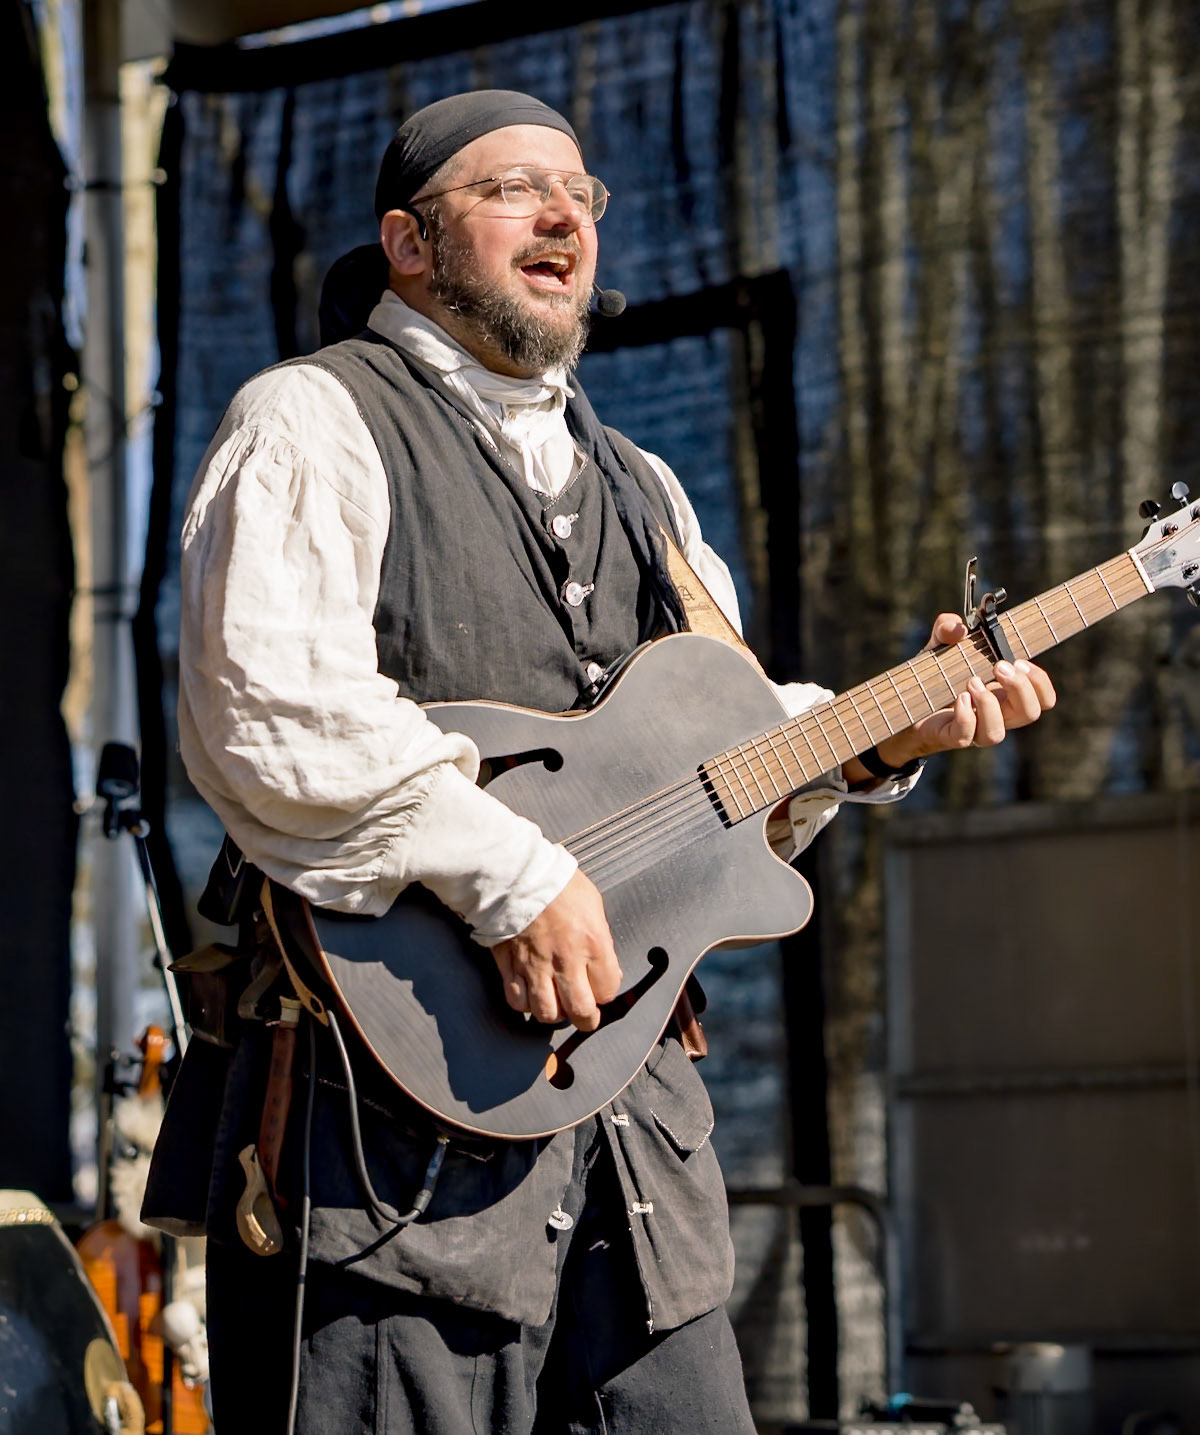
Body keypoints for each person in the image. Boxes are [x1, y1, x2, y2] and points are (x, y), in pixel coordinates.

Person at [167, 90, 1056, 1434]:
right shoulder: (311, 420)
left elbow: (725, 777)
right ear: (408, 243)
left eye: (580, 194)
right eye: (513, 189)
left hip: (633, 1142)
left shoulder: (642, 485)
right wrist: (512, 879)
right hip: (389, 1137)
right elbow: (270, 711)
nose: (562, 216)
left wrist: (881, 735)